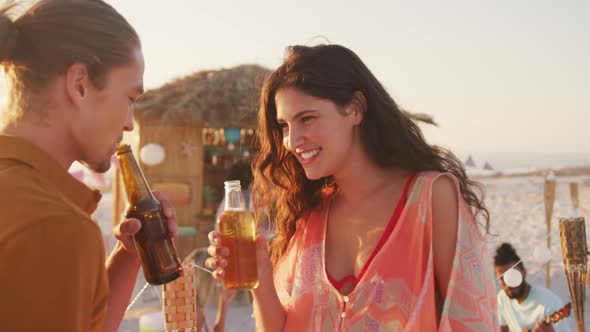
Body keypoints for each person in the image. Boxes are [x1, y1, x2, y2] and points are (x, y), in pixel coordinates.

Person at [206, 44, 498, 331]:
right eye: (284, 126)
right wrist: (259, 279)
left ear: (355, 109)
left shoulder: (430, 198)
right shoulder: (312, 215)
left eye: (307, 118)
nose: (292, 141)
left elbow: (473, 321)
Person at [0, 1, 178, 331]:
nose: (129, 123)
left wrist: (129, 255)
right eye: (130, 99)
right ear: (79, 83)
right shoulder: (52, 224)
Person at [494, 243, 572, 332]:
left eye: (513, 276)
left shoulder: (550, 303)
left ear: (524, 272)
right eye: (502, 278)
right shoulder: (502, 298)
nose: (508, 284)